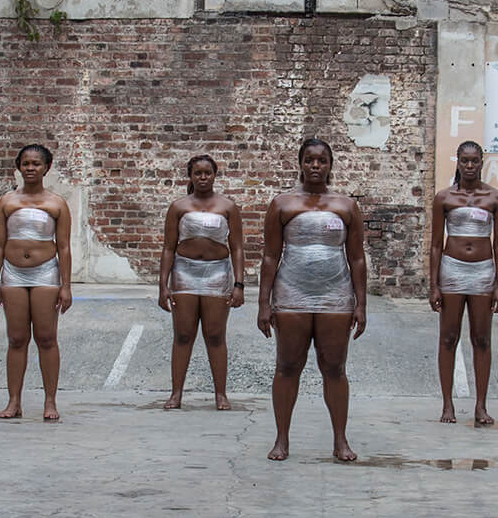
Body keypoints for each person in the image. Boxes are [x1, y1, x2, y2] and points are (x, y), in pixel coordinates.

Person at [257, 138, 367, 461]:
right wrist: (264, 303)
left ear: (330, 165)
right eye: (309, 160)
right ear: (300, 163)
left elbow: (357, 258)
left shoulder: (346, 206)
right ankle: (281, 439)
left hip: (336, 295)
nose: (315, 166)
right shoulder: (282, 204)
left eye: (321, 161)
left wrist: (360, 303)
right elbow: (269, 256)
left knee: (334, 367)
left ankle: (340, 440)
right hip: (292, 294)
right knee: (288, 365)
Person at [0, 143, 73, 422]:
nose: (31, 168)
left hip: (46, 274)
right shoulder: (7, 202)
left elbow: (64, 247)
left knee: (46, 338)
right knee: (16, 338)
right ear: (18, 166)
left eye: (36, 163)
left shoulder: (57, 203)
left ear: (47, 167)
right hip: (13, 274)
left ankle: (50, 400)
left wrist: (66, 285)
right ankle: (14, 401)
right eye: (26, 163)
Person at [157, 155, 246, 410]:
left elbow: (237, 248)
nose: (203, 178)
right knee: (183, 335)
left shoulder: (228, 207)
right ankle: (176, 393)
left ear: (215, 175)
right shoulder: (178, 206)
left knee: (215, 335)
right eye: (198, 173)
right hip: (185, 272)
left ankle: (220, 394)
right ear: (190, 176)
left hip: (217, 273)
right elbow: (168, 248)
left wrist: (239, 284)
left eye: (208, 173)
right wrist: (163, 285)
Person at [428, 140, 498, 425]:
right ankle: (447, 404)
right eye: (465, 161)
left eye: (475, 161)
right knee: (449, 337)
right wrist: (433, 284)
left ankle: (481, 405)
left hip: (483, 272)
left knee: (482, 339)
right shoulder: (445, 198)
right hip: (452, 270)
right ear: (458, 162)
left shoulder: (495, 198)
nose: (470, 166)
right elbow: (436, 244)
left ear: (482, 162)